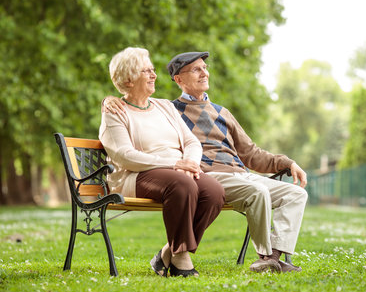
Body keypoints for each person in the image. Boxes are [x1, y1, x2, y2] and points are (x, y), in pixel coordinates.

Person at [104, 51, 308, 274]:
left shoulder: (213, 112)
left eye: (205, 67)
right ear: (178, 80)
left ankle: (274, 258)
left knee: (295, 194)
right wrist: (109, 99)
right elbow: (129, 132)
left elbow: (250, 153)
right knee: (250, 190)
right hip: (197, 173)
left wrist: (287, 163)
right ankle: (263, 257)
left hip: (228, 173)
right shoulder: (173, 108)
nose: (204, 72)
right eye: (196, 69)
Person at [99, 47, 225, 278]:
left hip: (176, 171)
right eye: (145, 71)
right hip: (135, 175)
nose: (154, 75)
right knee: (182, 185)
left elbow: (191, 141)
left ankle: (169, 251)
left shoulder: (164, 106)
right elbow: (125, 156)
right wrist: (175, 164)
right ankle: (180, 260)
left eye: (152, 70)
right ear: (127, 80)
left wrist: (190, 162)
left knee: (214, 192)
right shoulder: (114, 112)